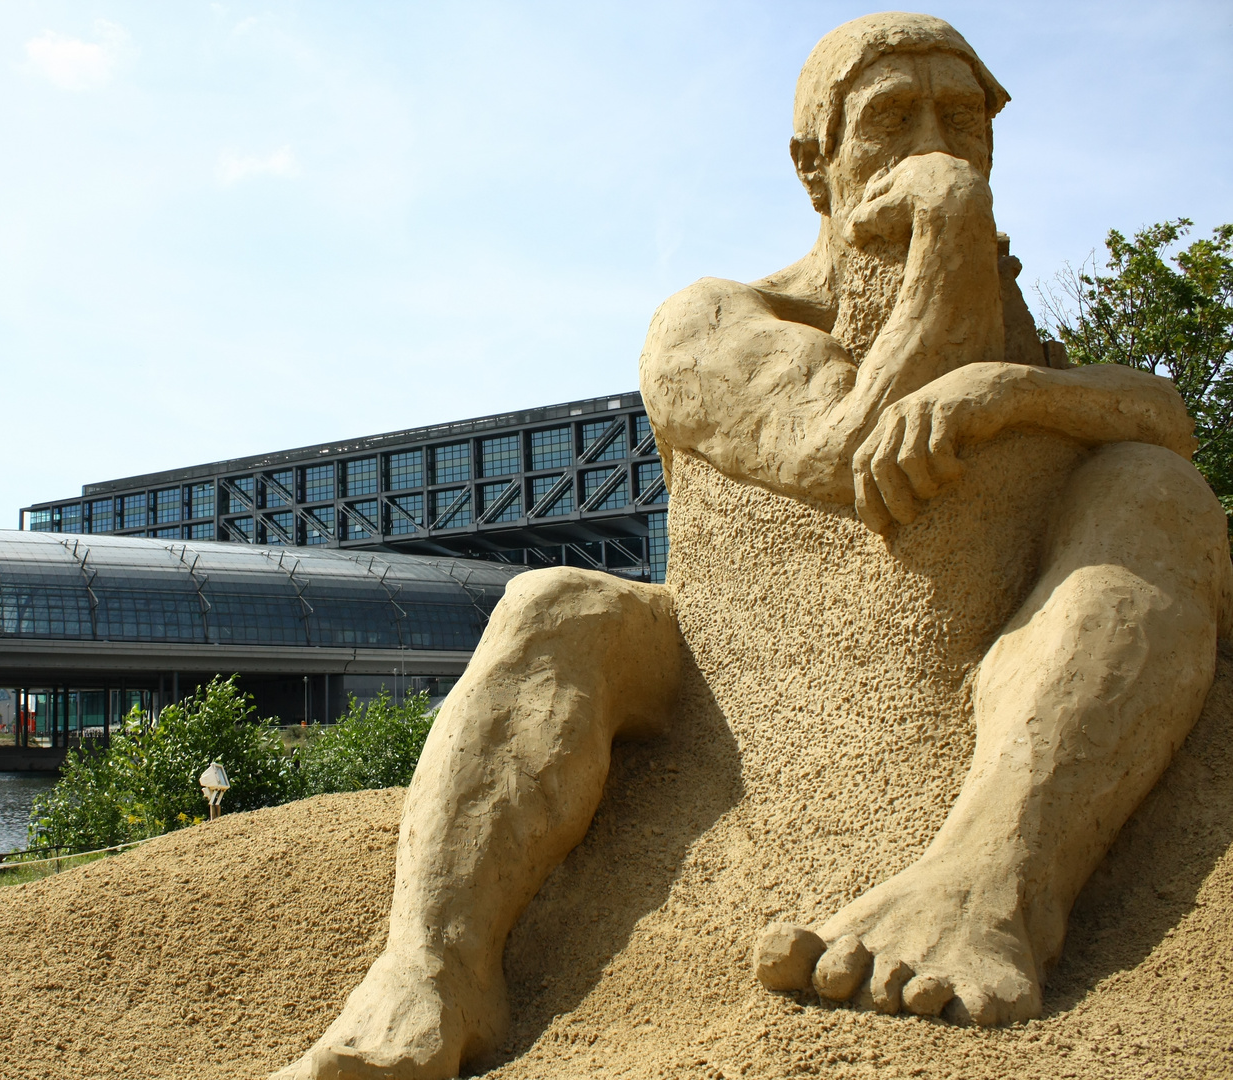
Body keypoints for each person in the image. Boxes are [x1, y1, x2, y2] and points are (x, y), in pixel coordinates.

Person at [273, 14, 1232, 1078]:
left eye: (962, 124)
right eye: (892, 123)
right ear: (816, 168)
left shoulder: (1011, 346)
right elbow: (861, 454)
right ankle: (429, 973)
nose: (932, 149)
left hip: (998, 657)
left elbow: (1165, 417)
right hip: (726, 687)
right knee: (552, 602)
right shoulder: (712, 321)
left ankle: (992, 884)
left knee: (1153, 493)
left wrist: (1003, 387)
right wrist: (952, 226)